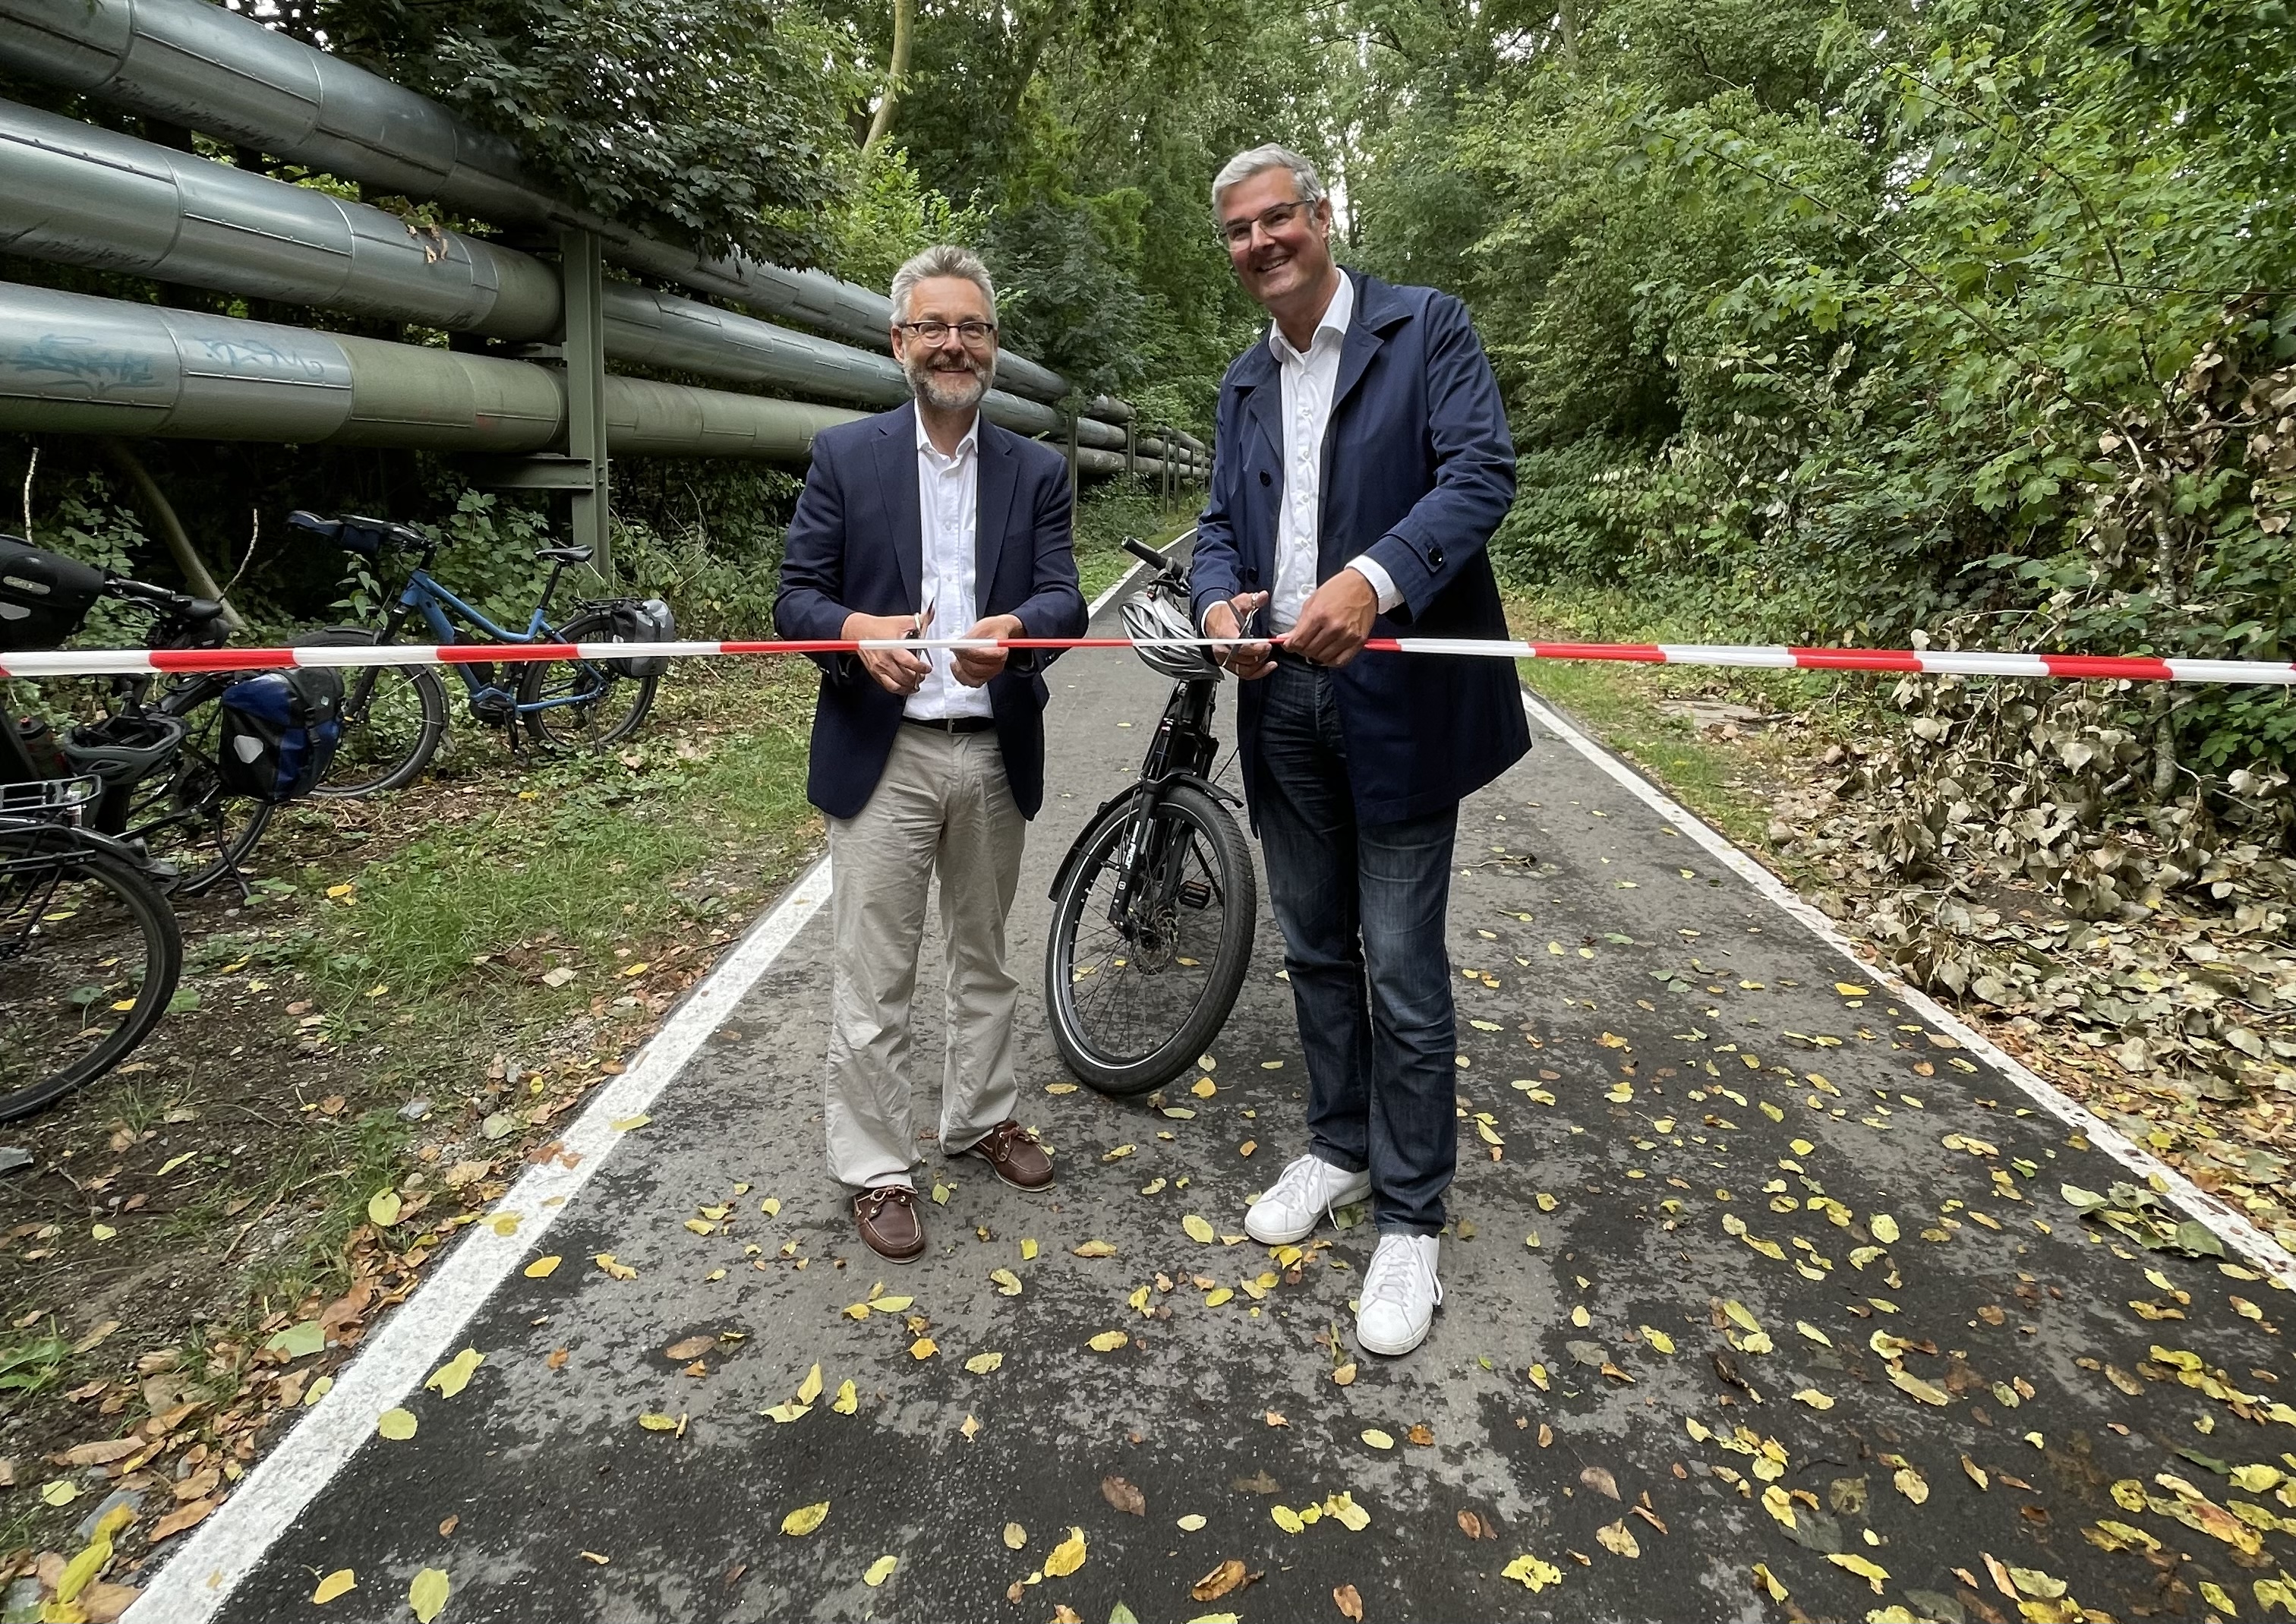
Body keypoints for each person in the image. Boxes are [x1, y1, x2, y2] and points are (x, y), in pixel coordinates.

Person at [1191, 144, 1526, 1355]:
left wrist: (1373, 583)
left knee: (1400, 961)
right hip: (1278, 701)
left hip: (1393, 695)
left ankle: (1412, 1219)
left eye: (1278, 218)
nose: (1261, 243)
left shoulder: (1425, 328)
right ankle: (1338, 1147)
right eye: (1239, 231)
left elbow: (1482, 474)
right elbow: (1223, 527)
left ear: (1321, 218)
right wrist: (1222, 608)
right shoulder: (1240, 384)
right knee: (1315, 947)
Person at [775, 244, 1088, 1263]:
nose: (955, 344)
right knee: (877, 978)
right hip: (887, 753)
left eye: (974, 328)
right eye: (935, 327)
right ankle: (875, 1171)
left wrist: (1021, 631)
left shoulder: (1036, 469)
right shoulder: (844, 456)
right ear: (899, 340)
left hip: (993, 746)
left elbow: (1064, 598)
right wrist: (858, 631)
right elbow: (795, 601)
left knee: (984, 958)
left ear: (993, 347)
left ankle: (979, 1116)